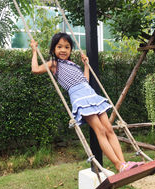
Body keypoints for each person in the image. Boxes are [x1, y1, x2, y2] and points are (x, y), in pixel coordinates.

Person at [31, 32, 143, 173]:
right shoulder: (53, 63)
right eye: (59, 47)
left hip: (90, 93)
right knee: (100, 130)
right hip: (79, 97)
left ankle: (124, 163)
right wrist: (34, 51)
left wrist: (85, 65)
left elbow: (85, 80)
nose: (63, 50)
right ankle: (118, 165)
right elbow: (35, 70)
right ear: (53, 49)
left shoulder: (73, 64)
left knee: (108, 128)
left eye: (67, 47)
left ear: (71, 49)